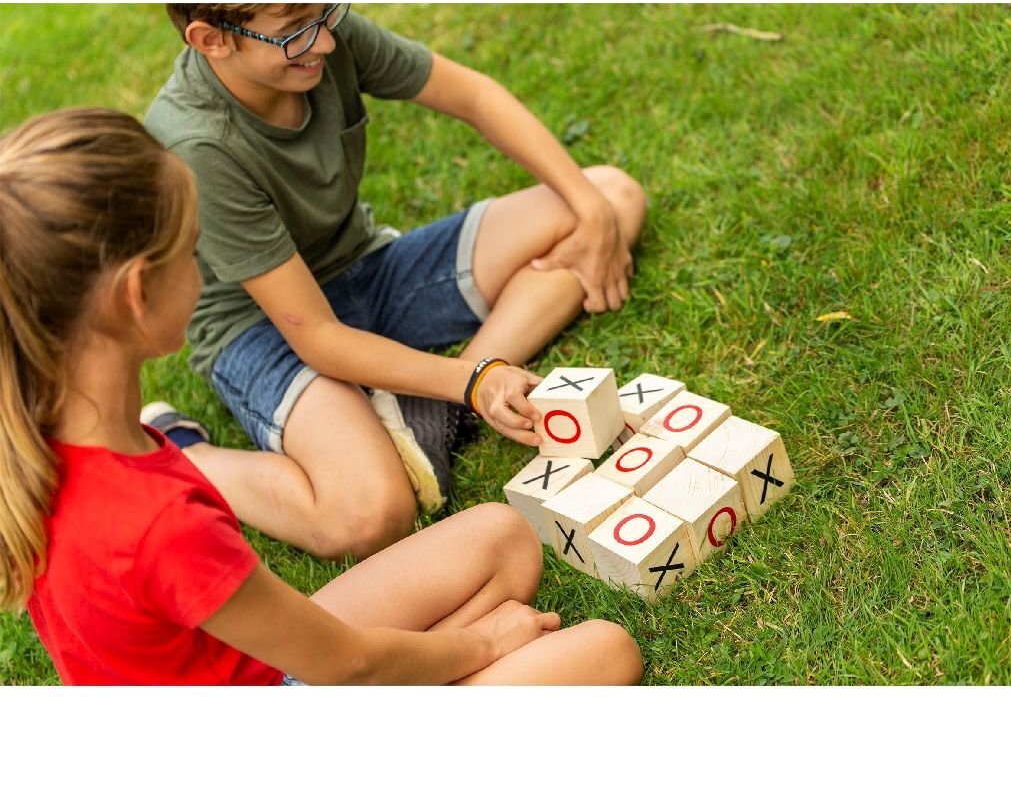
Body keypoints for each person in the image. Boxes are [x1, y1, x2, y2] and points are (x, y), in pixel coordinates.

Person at [0, 107, 643, 686]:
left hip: (269, 662)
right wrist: (477, 643)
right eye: (193, 251)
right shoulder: (161, 525)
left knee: (506, 537)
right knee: (607, 651)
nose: (205, 272)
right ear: (137, 294)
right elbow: (345, 664)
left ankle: (427, 670)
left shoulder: (39, 437)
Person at [143, 3, 647, 562]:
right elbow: (316, 335)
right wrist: (474, 378)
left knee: (612, 198)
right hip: (263, 328)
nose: (327, 46)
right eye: (295, 35)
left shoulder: (314, 27)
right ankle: (184, 453)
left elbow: (475, 96)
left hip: (367, 268)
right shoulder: (197, 145)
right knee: (369, 514)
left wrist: (589, 209)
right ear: (212, 40)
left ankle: (443, 411)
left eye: (328, 14)